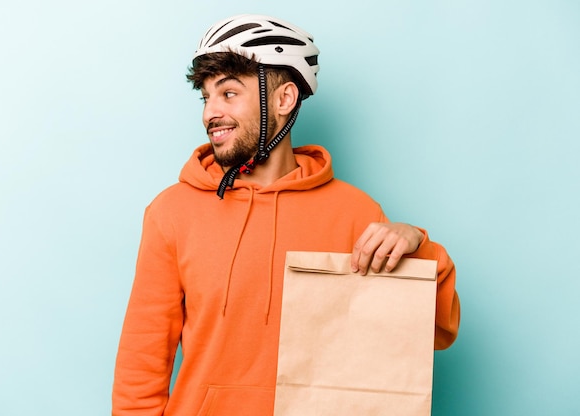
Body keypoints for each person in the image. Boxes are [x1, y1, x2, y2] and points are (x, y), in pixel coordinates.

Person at [112, 13, 460, 416]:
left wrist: (417, 244)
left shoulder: (354, 213)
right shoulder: (172, 213)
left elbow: (431, 331)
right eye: (205, 97)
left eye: (228, 93)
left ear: (283, 99)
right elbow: (142, 365)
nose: (210, 112)